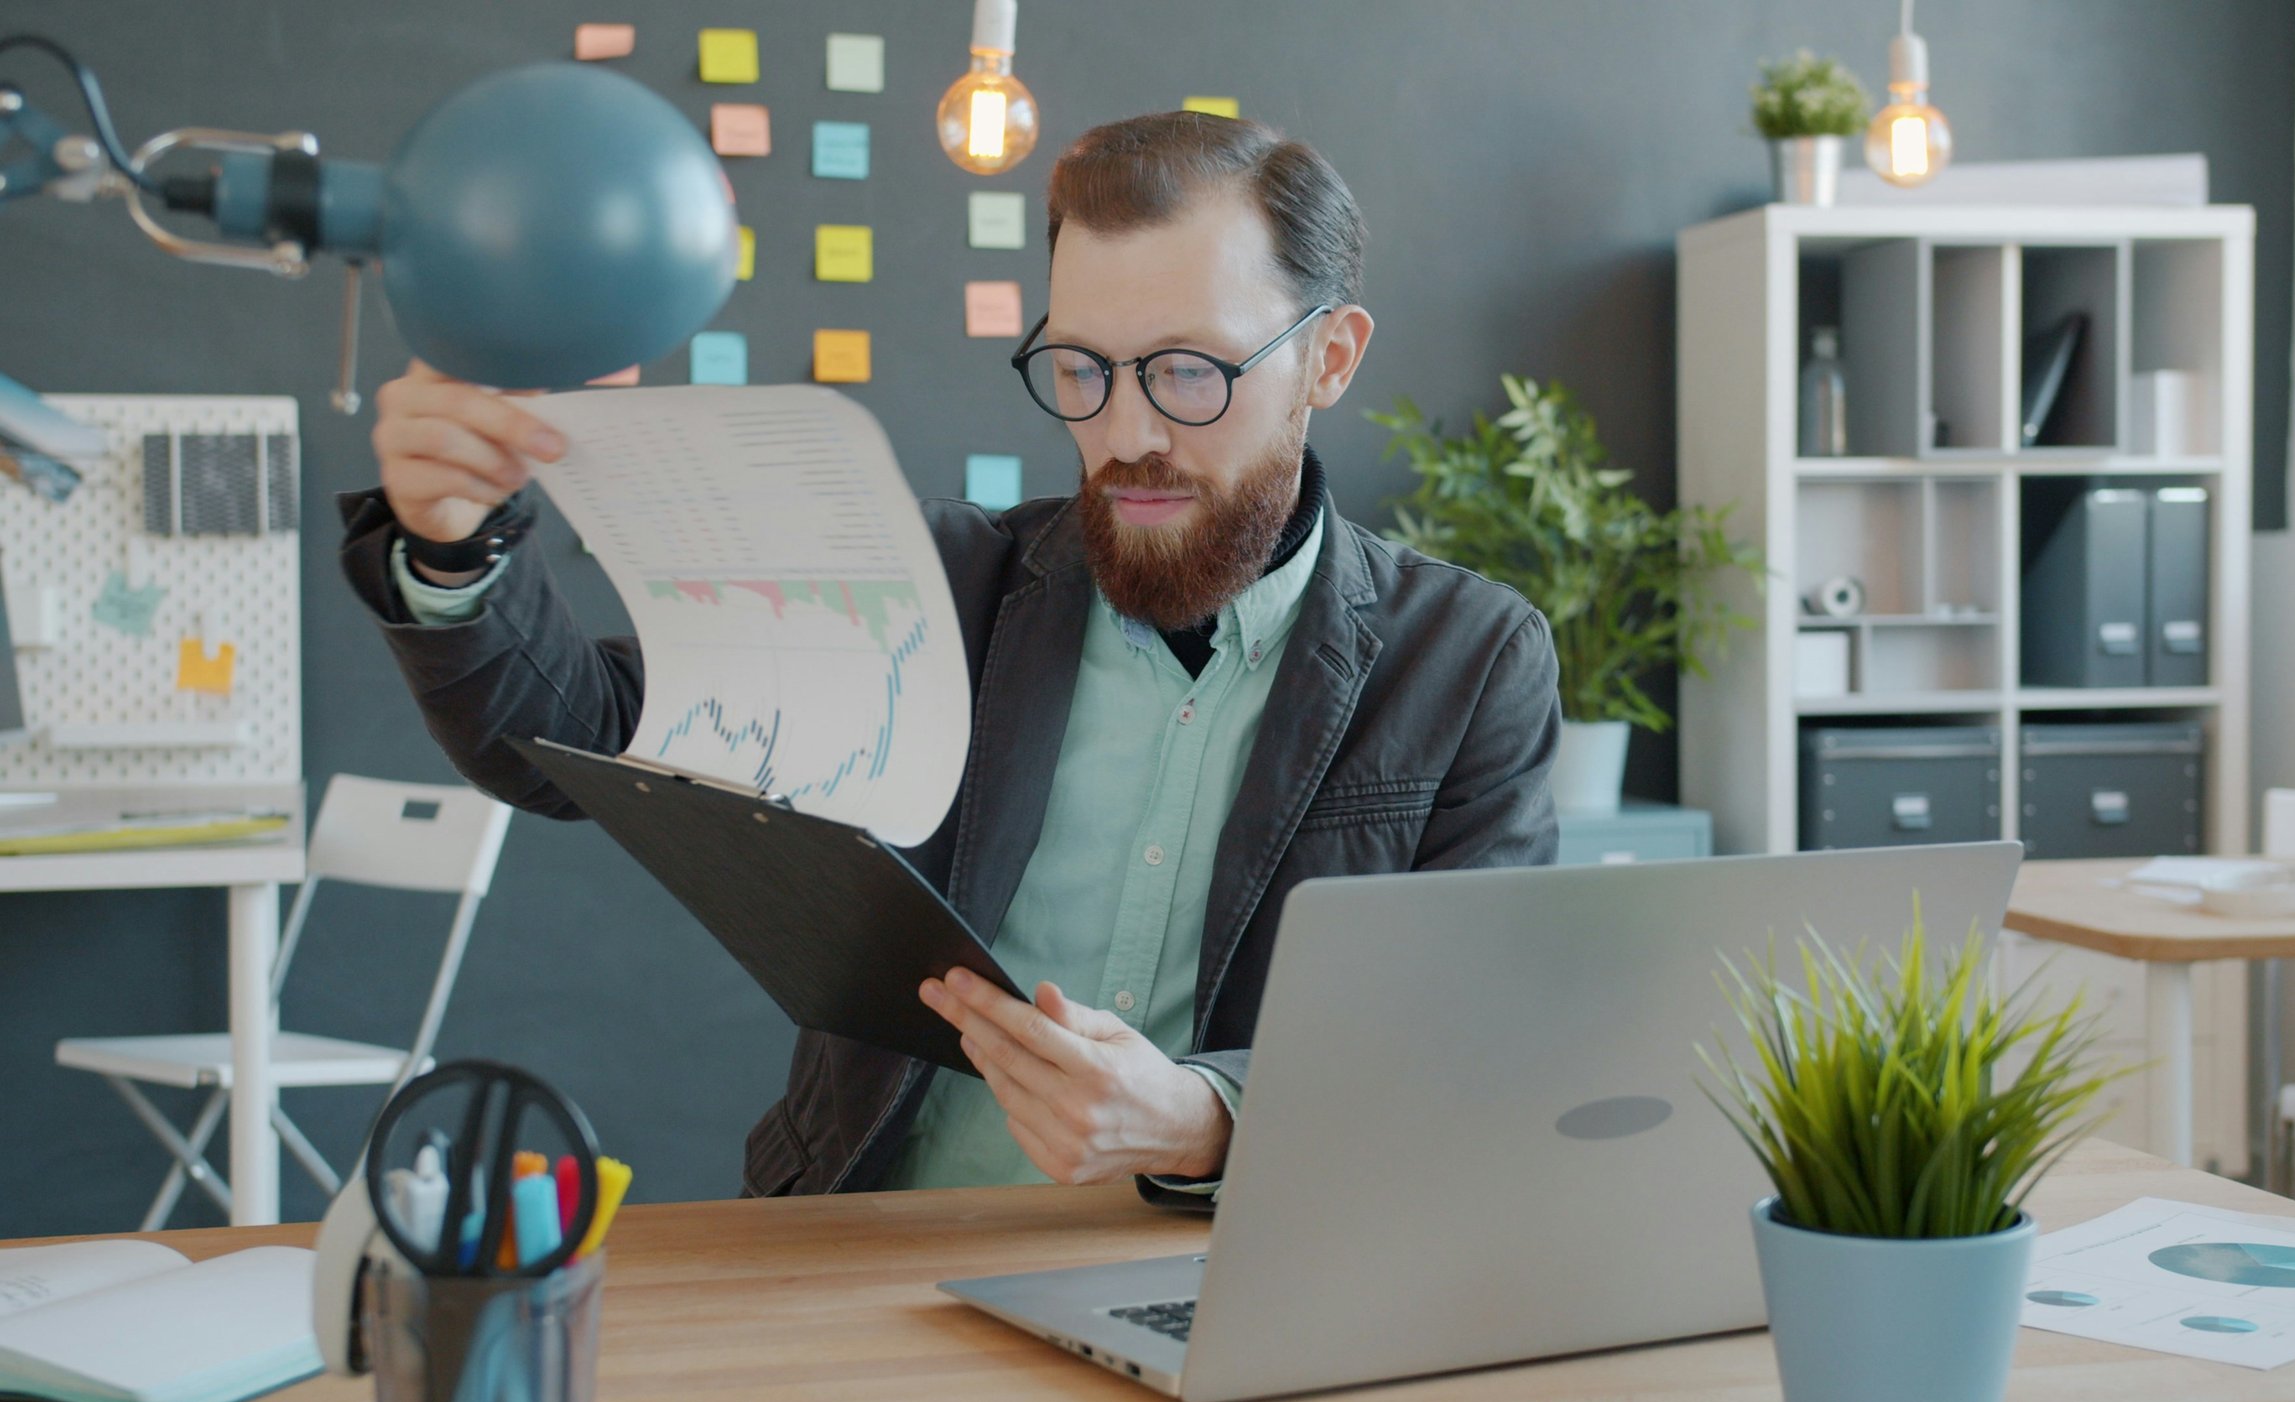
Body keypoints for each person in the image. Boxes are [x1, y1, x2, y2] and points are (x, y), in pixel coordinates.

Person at [337, 111, 1560, 1207]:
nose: (1125, 434)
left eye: (1191, 372)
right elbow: (566, 742)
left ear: (1329, 360)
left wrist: (1208, 1117)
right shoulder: (931, 585)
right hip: (868, 1255)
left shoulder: (1468, 661)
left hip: (1225, 1279)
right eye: (1080, 369)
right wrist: (456, 554)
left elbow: (1468, 1046)